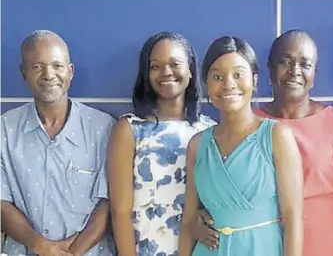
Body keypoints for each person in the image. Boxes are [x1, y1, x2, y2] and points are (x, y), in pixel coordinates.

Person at [190, 30, 333, 256]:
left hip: (328, 247)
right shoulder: (250, 127)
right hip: (268, 248)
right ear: (270, 69)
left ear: (314, 73)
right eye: (286, 61)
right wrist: (198, 221)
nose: (295, 71)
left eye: (305, 64)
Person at [178, 36, 304, 256]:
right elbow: (188, 222)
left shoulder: (276, 136)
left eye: (238, 74)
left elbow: (294, 221)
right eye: (217, 76)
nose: (228, 84)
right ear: (207, 85)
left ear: (254, 81)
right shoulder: (198, 145)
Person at [1, 30, 115, 256]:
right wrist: (41, 246)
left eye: (57, 66)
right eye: (37, 66)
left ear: (70, 72)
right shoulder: (4, 129)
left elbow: (110, 202)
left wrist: (73, 252)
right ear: (23, 73)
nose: (48, 74)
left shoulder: (104, 128)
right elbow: (1, 202)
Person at [107, 32, 215, 256]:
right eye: (155, 66)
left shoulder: (210, 131)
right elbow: (120, 211)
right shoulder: (129, 130)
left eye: (175, 64)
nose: (166, 72)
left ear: (191, 69)